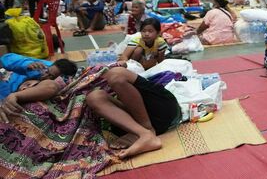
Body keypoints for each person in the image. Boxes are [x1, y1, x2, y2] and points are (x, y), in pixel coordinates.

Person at [0, 65, 180, 159]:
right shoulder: (15, 108)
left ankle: (147, 130)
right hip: (126, 122)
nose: (27, 89)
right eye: (24, 88)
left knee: (115, 74)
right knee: (94, 97)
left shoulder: (30, 93)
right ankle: (143, 134)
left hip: (156, 108)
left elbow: (50, 86)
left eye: (29, 86)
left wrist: (16, 95)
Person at [0, 53, 77, 99]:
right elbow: (5, 58)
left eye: (51, 76)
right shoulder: (42, 66)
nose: (44, 75)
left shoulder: (55, 86)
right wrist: (25, 64)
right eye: (47, 72)